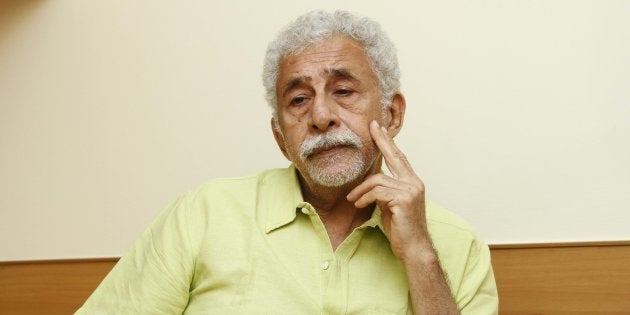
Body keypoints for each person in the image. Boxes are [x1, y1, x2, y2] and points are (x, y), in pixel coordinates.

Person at [77, 10, 498, 314]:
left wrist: (421, 257)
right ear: (281, 138)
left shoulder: (456, 245)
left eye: (344, 91)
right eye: (299, 100)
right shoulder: (203, 214)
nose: (320, 117)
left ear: (392, 114)